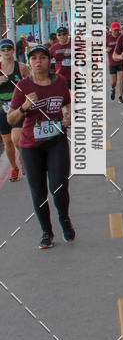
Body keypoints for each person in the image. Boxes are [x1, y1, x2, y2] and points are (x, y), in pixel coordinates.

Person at [7, 44, 73, 249]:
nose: (38, 61)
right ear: (29, 62)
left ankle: (64, 218)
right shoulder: (23, 87)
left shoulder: (59, 81)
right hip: (31, 146)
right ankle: (46, 231)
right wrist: (24, 107)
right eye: (33, 58)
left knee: (59, 187)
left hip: (56, 142)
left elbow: (67, 103)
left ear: (49, 60)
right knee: (39, 192)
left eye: (42, 57)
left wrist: (68, 116)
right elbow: (10, 118)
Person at [0, 38, 29, 181]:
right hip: (1, 108)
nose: (6, 51)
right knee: (7, 143)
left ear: (13, 50)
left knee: (16, 138)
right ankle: (14, 167)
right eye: (3, 49)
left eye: (8, 49)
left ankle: (23, 159)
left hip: (17, 108)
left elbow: (31, 83)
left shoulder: (21, 67)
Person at [106, 22, 123, 102]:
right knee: (113, 82)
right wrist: (106, 49)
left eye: (117, 30)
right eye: (114, 30)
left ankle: (120, 96)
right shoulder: (107, 38)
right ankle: (113, 89)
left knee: (122, 79)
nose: (116, 32)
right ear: (111, 30)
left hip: (121, 62)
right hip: (112, 63)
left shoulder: (121, 37)